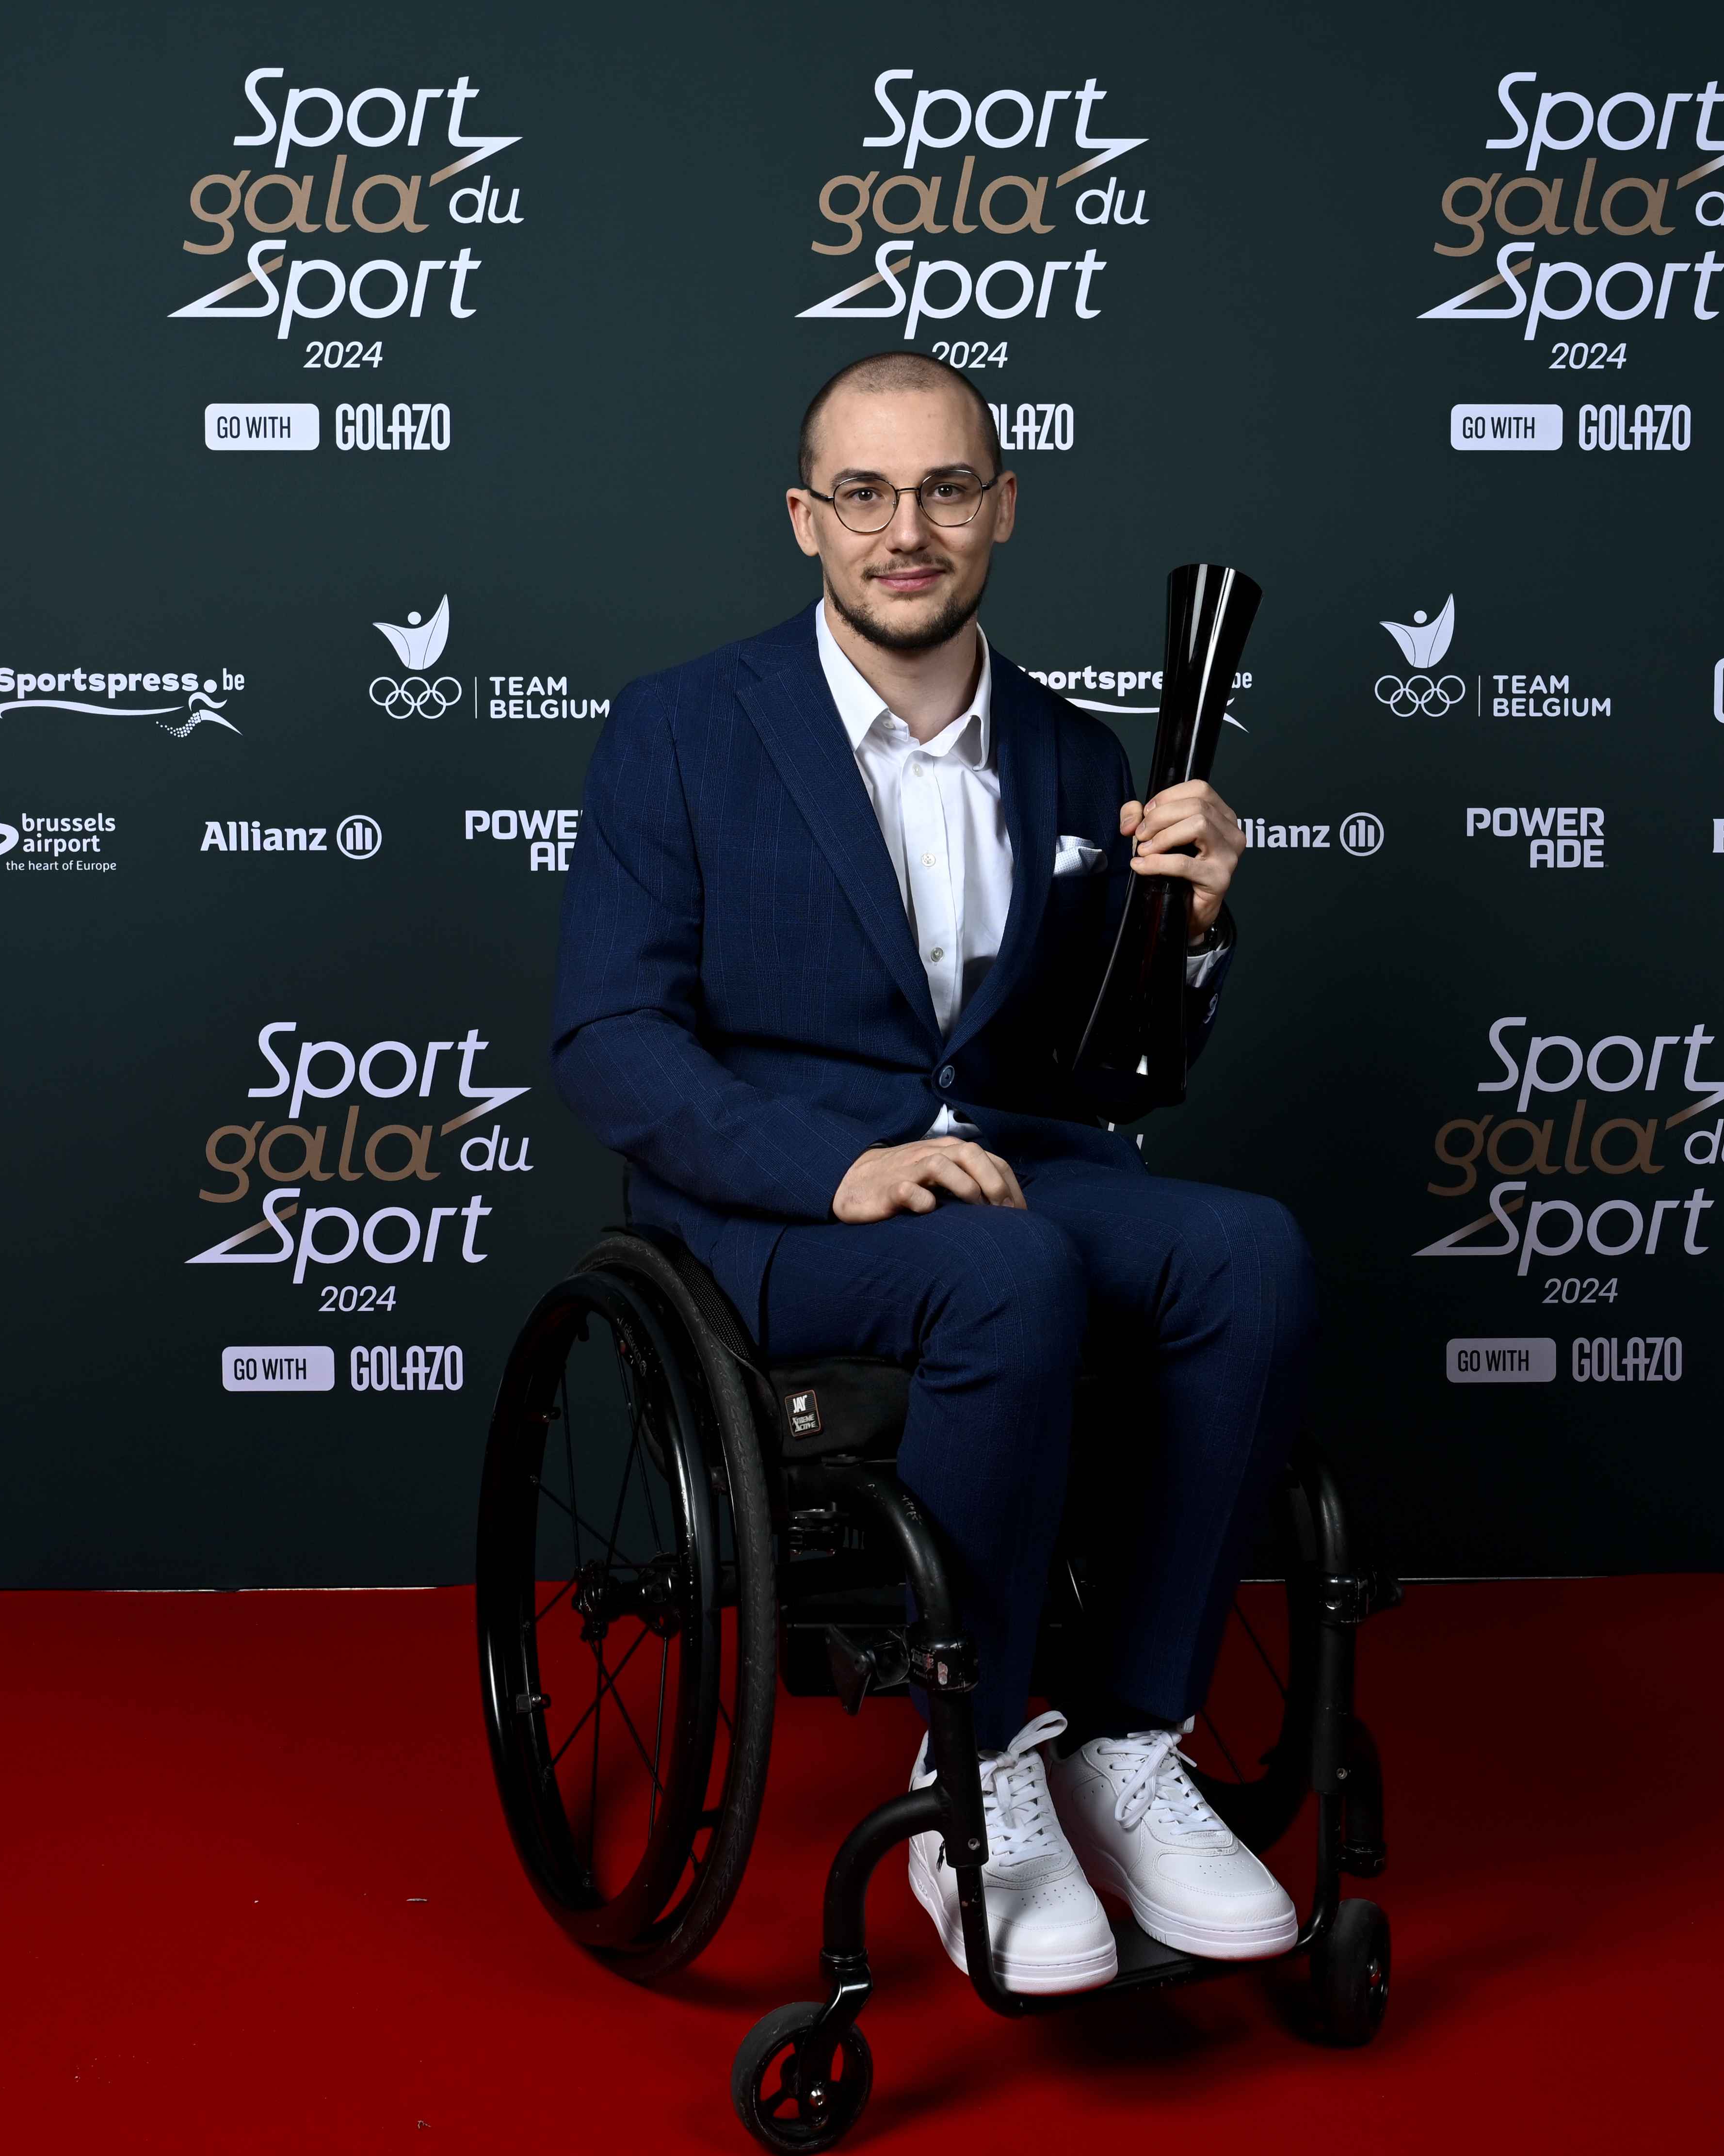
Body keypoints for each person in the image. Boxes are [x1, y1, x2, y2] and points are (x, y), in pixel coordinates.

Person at [549, 351, 1318, 1994]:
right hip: (777, 1212)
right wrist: (835, 1167)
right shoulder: (680, 730)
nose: (908, 530)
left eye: (947, 489)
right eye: (867, 494)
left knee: (1247, 1251)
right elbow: (611, 1037)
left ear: (1003, 507)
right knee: (1009, 1269)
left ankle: (1126, 1740)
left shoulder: (1073, 751)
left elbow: (1111, 1078)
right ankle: (975, 1755)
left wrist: (1189, 935)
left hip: (1009, 1165)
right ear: (806, 519)